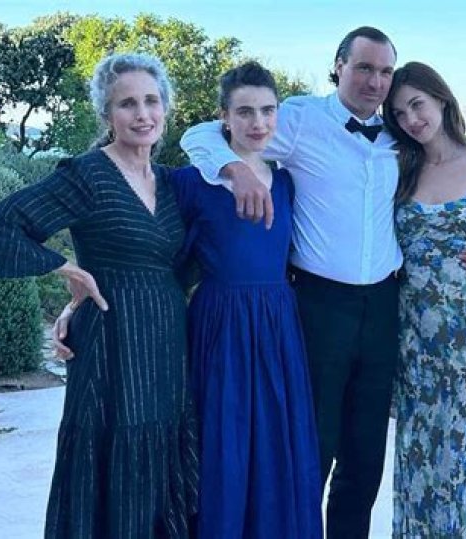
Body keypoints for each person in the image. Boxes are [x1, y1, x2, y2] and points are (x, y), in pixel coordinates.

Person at [180, 27, 466, 537]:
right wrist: (235, 169)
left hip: (385, 303)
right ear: (339, 66)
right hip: (318, 304)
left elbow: (450, 193)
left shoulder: (401, 135)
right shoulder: (300, 118)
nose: (375, 81)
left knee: (364, 455)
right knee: (312, 445)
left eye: (385, 71)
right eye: (364, 68)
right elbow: (199, 135)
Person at [0, 53, 199, 538]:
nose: (142, 114)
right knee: (111, 454)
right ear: (107, 114)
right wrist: (66, 269)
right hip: (111, 344)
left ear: (165, 108)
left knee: (163, 460)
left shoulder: (171, 183)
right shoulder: (87, 175)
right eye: (127, 104)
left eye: (151, 101)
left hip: (167, 345)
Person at [170, 61, 322, 538]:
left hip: (278, 324)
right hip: (220, 324)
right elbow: (159, 256)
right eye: (245, 112)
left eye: (268, 111)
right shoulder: (193, 181)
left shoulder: (288, 181)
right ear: (224, 117)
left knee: (277, 441)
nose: (259, 123)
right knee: (224, 438)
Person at [381, 61, 466, 538]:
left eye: (417, 105)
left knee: (454, 446)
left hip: (465, 332)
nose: (412, 119)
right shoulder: (400, 167)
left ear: (441, 98)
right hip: (409, 327)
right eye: (400, 113)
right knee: (413, 443)